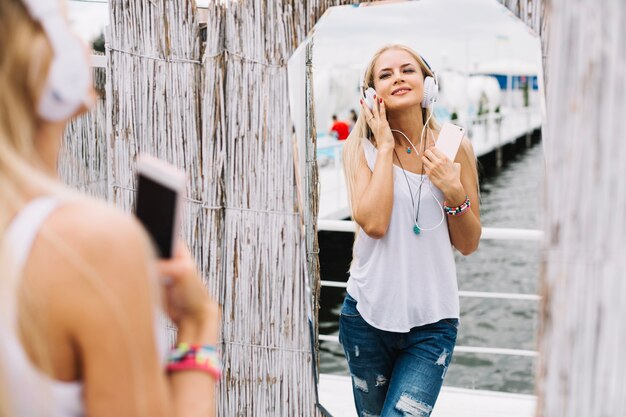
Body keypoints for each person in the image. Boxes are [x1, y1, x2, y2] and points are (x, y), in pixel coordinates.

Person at [0, 1, 220, 416]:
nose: (82, 43)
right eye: (68, 28)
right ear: (53, 68)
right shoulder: (86, 248)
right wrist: (197, 326)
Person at [340, 44, 481, 416]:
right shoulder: (361, 149)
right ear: (372, 94)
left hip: (432, 325)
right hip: (366, 319)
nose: (398, 78)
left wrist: (453, 189)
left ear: (428, 84)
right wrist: (385, 145)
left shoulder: (454, 146)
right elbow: (373, 223)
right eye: (385, 75)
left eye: (408, 70)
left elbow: (468, 243)